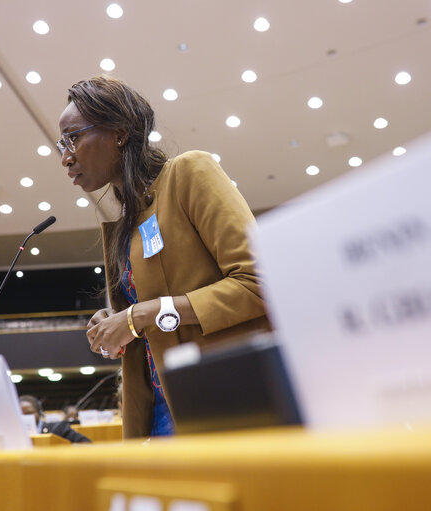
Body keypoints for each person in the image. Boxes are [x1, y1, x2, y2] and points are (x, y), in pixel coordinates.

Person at [57, 75, 271, 439]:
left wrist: (139, 315)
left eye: (74, 137)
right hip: (156, 413)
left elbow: (259, 284)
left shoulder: (189, 172)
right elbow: (152, 323)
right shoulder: (122, 226)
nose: (66, 157)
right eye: (61, 143)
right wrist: (116, 324)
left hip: (223, 405)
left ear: (119, 133)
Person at [19, 395, 91, 443]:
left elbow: (85, 443)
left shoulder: (58, 428)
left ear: (39, 412)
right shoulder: (13, 434)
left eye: (29, 413)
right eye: (21, 414)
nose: (25, 417)